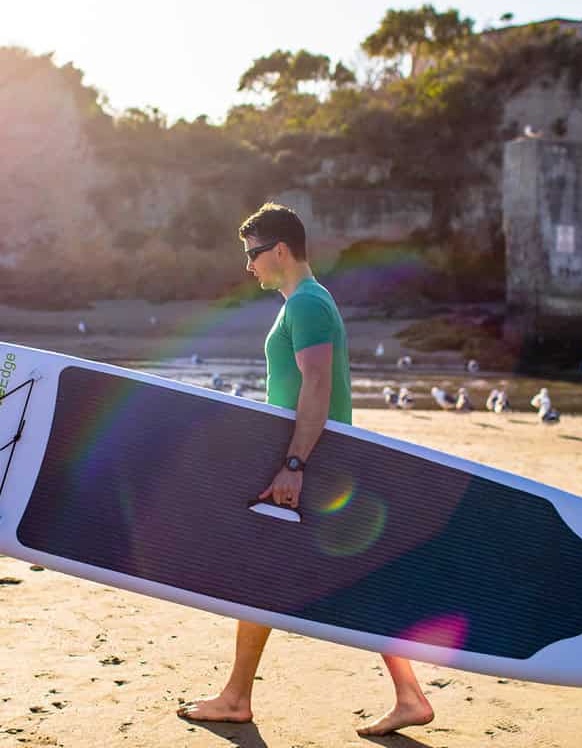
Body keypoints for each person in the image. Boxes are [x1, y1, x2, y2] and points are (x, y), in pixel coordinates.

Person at [176, 203, 436, 736]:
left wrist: (294, 463)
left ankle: (236, 698)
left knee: (261, 576)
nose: (249, 266)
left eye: (253, 254)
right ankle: (408, 696)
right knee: (334, 582)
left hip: (314, 462)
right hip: (321, 459)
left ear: (279, 251)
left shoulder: (308, 304)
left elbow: (317, 384)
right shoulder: (303, 302)